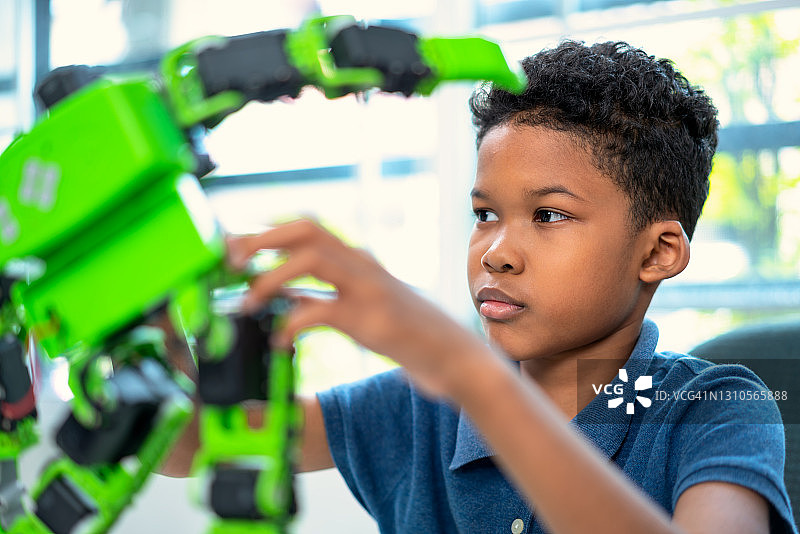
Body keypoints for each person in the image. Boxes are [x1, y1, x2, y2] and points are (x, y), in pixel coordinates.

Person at [163, 40, 797, 533]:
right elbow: (188, 443)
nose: (495, 252)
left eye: (549, 215)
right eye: (485, 214)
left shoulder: (718, 409)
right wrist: (148, 304)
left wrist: (470, 372)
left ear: (658, 252)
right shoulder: (419, 406)